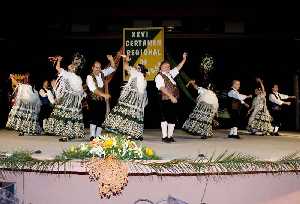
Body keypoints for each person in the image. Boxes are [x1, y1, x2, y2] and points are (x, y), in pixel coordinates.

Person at [102, 55, 148, 140]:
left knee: (134, 115)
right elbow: (126, 66)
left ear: (142, 70)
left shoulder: (142, 78)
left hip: (136, 98)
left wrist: (139, 101)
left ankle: (135, 134)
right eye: (136, 67)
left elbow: (142, 92)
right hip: (129, 96)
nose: (136, 69)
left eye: (139, 68)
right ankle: (127, 132)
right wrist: (126, 60)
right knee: (126, 114)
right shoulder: (134, 73)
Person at [44, 56, 85, 142]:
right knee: (69, 116)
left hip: (69, 99)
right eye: (71, 64)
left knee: (67, 116)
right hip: (72, 99)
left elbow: (81, 91)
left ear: (74, 69)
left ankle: (67, 135)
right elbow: (57, 68)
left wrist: (58, 60)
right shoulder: (71, 75)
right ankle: (68, 135)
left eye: (72, 65)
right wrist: (58, 60)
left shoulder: (74, 76)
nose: (70, 65)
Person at [155, 52, 187, 143]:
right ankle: (165, 137)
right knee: (164, 117)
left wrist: (184, 59)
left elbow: (178, 67)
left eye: (168, 66)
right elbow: (161, 88)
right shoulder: (159, 76)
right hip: (165, 99)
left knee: (172, 118)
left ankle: (170, 136)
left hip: (173, 99)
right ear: (161, 67)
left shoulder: (170, 74)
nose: (167, 68)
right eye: (165, 66)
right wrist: (171, 97)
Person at [86, 55, 116, 141]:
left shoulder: (102, 73)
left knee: (101, 118)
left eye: (99, 68)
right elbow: (93, 89)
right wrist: (104, 95)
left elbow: (113, 68)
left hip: (102, 100)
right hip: (93, 99)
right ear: (92, 68)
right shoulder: (89, 77)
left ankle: (98, 135)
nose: (98, 69)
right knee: (94, 117)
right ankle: (92, 135)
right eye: (96, 67)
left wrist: (111, 60)